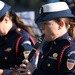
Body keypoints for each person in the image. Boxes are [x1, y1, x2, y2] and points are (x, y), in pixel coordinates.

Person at [17, 2, 75, 75]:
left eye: (46, 23)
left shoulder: (70, 50)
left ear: (61, 24)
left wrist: (34, 72)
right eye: (42, 24)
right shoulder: (48, 43)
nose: (41, 28)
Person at [0, 1, 37, 75]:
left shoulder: (22, 39)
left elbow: (28, 70)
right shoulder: (3, 35)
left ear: (6, 20)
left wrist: (3, 72)